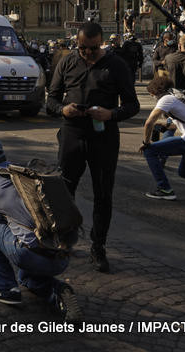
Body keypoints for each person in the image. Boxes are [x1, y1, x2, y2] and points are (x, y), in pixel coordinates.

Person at [46, 22, 139, 273]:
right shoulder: (67, 62)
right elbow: (51, 99)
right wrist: (62, 109)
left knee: (103, 193)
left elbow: (133, 105)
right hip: (72, 133)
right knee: (65, 191)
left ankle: (98, 247)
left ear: (101, 44)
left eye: (93, 48)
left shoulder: (116, 65)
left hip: (104, 136)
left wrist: (112, 114)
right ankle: (65, 239)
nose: (87, 53)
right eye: (82, 48)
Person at [0, 135, 80, 322]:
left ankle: (6, 289)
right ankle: (57, 291)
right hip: (61, 254)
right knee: (27, 278)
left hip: (29, 255)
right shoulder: (21, 172)